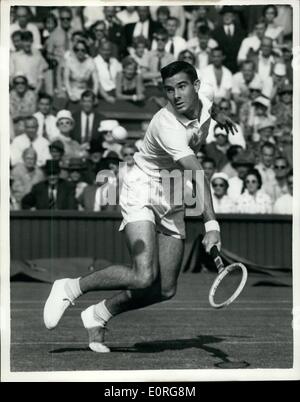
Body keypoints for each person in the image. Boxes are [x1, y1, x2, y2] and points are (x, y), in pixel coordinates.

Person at [43, 60, 236, 352]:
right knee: (143, 274)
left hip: (172, 192)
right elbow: (196, 173)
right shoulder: (166, 123)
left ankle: (100, 314)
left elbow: (210, 105)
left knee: (165, 289)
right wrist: (211, 225)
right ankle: (70, 287)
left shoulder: (203, 99)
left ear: (196, 86)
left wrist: (219, 116)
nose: (176, 95)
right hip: (142, 187)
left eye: (182, 86)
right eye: (169, 90)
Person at [211, 6, 245, 73]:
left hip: (237, 66)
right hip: (222, 66)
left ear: (233, 17)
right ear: (222, 16)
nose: (227, 17)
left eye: (229, 15)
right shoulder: (216, 32)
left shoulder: (241, 32)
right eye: (225, 15)